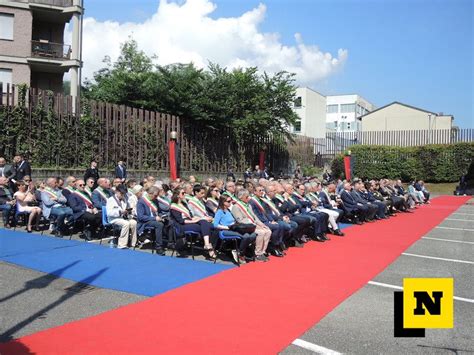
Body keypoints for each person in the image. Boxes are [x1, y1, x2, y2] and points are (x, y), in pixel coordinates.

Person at [170, 188, 216, 259]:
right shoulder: (174, 206)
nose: (184, 194)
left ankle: (207, 246)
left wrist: (197, 219)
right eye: (182, 193)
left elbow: (191, 216)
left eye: (185, 193)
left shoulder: (184, 204)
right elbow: (181, 221)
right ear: (177, 195)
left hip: (190, 222)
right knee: (206, 226)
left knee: (206, 223)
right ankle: (209, 249)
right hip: (182, 225)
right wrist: (194, 220)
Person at [213, 195, 257, 263]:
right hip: (225, 230)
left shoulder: (228, 210)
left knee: (253, 235)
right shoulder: (219, 211)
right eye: (228, 201)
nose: (230, 202)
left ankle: (240, 251)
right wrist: (227, 227)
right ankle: (239, 253)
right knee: (245, 236)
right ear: (223, 202)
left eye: (231, 201)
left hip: (234, 228)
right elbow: (215, 224)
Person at [231, 189, 271, 262]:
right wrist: (254, 225)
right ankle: (257, 254)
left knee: (268, 231)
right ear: (241, 197)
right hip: (246, 226)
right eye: (246, 197)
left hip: (253, 224)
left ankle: (262, 251)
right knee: (261, 232)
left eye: (248, 196)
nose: (248, 198)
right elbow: (240, 220)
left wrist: (261, 224)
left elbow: (254, 217)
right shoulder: (236, 207)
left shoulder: (248, 205)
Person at [106, 184, 137, 249]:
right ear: (116, 191)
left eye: (124, 193)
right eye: (121, 193)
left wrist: (129, 212)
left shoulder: (125, 199)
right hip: (113, 219)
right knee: (126, 224)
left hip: (123, 218)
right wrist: (120, 212)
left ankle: (133, 243)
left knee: (134, 222)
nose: (123, 195)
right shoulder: (111, 200)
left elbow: (127, 210)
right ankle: (122, 244)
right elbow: (109, 213)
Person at [137, 186, 165, 255]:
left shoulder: (155, 200)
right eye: (155, 195)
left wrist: (162, 216)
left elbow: (159, 211)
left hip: (155, 219)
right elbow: (141, 217)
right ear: (150, 193)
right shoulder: (141, 201)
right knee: (159, 224)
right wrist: (154, 218)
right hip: (145, 221)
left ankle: (170, 243)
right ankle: (159, 247)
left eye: (157, 195)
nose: (156, 197)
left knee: (169, 221)